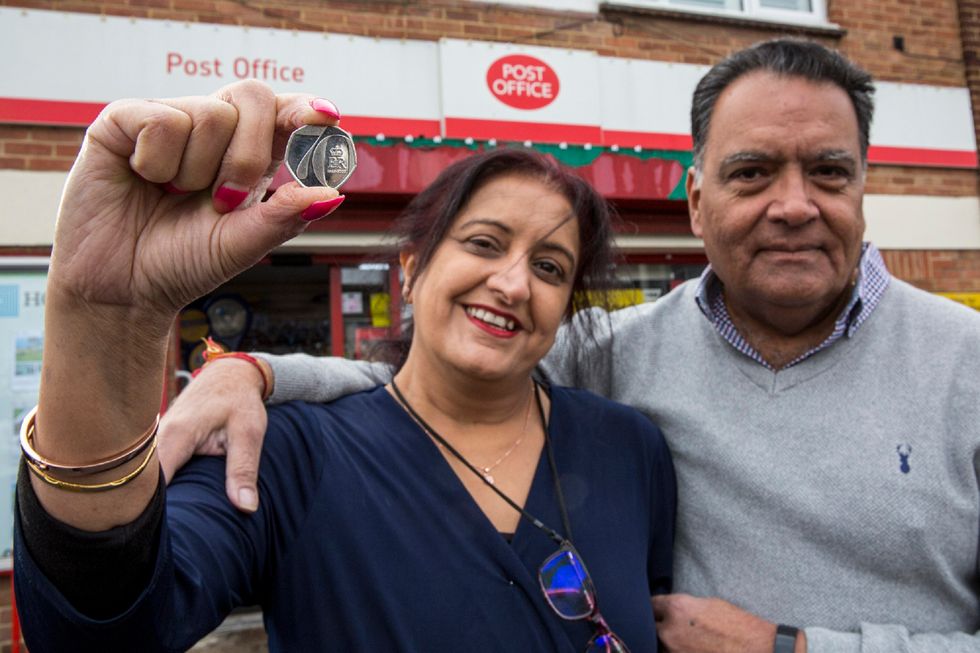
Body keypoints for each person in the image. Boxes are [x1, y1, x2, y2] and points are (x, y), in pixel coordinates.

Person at [160, 38, 980, 652]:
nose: (794, 204)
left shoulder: (967, 363)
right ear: (696, 201)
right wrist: (259, 373)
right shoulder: (616, 352)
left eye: (829, 173)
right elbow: (439, 376)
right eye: (753, 173)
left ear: (865, 187)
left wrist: (794, 647)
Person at [13, 82, 676, 653]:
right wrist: (104, 325)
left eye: (549, 267)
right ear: (410, 271)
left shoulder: (629, 447)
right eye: (483, 242)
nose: (512, 283)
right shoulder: (285, 452)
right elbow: (103, 628)